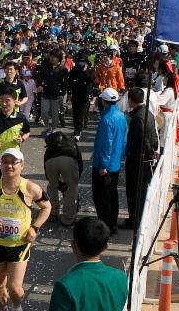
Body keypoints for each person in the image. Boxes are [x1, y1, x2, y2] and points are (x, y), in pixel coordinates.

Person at [0, 148, 50, 311]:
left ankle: (17, 309)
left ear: (22, 165)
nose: (9, 165)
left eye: (13, 162)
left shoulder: (31, 188)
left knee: (14, 287)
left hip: (19, 245)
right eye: (5, 162)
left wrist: (35, 228)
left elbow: (47, 207)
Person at [122, 86, 160, 229]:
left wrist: (149, 151)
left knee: (134, 191)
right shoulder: (148, 113)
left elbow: (143, 139)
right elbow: (154, 135)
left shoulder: (138, 118)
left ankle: (134, 220)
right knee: (140, 190)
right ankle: (135, 218)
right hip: (144, 159)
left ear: (131, 100)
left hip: (137, 160)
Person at [91, 87, 127, 230]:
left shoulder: (106, 119)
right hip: (115, 163)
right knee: (112, 194)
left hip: (103, 164)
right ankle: (112, 223)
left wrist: (103, 165)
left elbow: (106, 143)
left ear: (104, 101)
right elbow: (124, 139)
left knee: (101, 197)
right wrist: (119, 156)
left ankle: (105, 226)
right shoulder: (121, 116)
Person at [42, 127, 84, 227]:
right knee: (71, 189)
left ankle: (52, 213)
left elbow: (46, 167)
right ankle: (68, 219)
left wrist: (52, 180)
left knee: (52, 187)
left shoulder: (49, 148)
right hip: (68, 159)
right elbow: (79, 161)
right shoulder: (71, 142)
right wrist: (75, 179)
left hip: (50, 162)